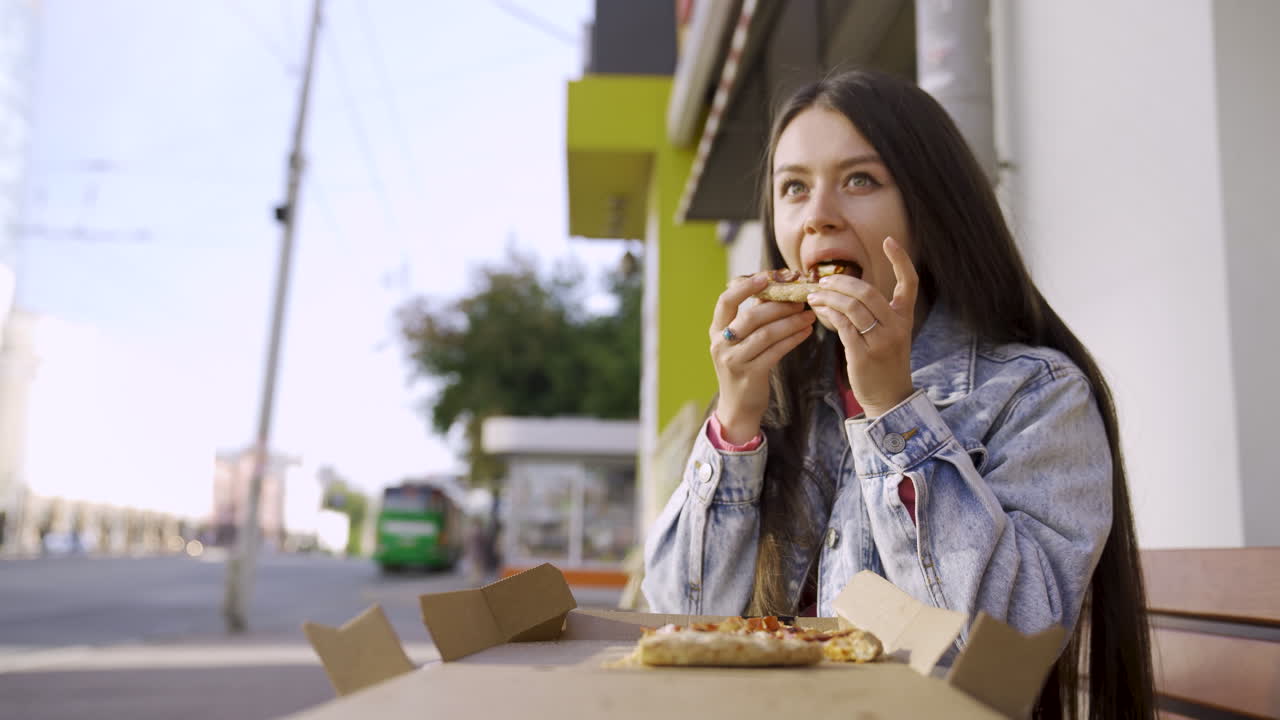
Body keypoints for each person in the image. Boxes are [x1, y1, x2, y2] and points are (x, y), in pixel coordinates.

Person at [641, 69, 1153, 719]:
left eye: (860, 180)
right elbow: (679, 628)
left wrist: (892, 410)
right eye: (794, 187)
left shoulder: (1034, 395)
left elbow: (992, 654)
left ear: (929, 208)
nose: (819, 217)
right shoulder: (780, 399)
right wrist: (735, 422)